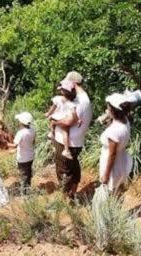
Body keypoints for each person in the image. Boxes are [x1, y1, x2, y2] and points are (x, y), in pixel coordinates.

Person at [50, 71, 93, 199]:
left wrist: (54, 121)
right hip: (75, 141)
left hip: (67, 143)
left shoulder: (80, 101)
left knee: (64, 171)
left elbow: (69, 120)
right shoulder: (82, 98)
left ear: (73, 84)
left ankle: (64, 201)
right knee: (72, 168)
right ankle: (71, 196)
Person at [98, 90, 141, 193]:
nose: (107, 108)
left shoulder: (114, 131)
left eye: (109, 107)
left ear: (113, 110)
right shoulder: (125, 120)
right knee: (118, 189)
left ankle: (109, 209)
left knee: (110, 191)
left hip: (113, 166)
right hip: (122, 160)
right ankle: (117, 207)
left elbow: (112, 154)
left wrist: (106, 175)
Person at [8, 112, 36, 194]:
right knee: (28, 173)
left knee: (23, 175)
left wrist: (5, 143)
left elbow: (14, 145)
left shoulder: (20, 133)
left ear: (21, 122)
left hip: (22, 158)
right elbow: (32, 142)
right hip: (30, 156)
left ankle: (25, 193)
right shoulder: (33, 130)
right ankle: (27, 188)